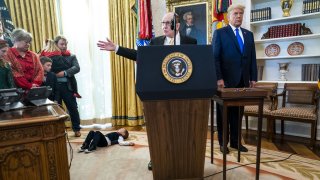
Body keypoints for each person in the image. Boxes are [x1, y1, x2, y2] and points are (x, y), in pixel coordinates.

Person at [97, 12, 197, 170]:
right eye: (162, 23)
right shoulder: (155, 41)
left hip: (182, 94)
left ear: (177, 25)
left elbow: (194, 64)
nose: (163, 26)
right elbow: (140, 56)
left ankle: (182, 158)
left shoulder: (190, 42)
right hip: (159, 92)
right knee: (159, 129)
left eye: (167, 23)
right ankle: (157, 157)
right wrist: (116, 48)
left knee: (181, 128)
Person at [211, 4, 257, 154]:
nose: (239, 16)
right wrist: (219, 78)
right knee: (224, 115)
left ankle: (236, 143)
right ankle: (223, 143)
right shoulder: (220, 33)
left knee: (238, 114)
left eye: (241, 14)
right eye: (236, 13)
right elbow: (215, 58)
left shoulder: (248, 34)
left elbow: (252, 59)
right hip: (225, 82)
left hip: (243, 81)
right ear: (229, 16)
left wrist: (253, 78)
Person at [53, 35, 82, 137]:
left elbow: (77, 68)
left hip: (68, 86)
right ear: (56, 44)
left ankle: (76, 129)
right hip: (54, 88)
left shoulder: (71, 56)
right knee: (56, 110)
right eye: (62, 44)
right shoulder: (49, 56)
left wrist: (64, 73)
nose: (64, 46)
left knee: (73, 108)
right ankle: (59, 130)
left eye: (65, 44)